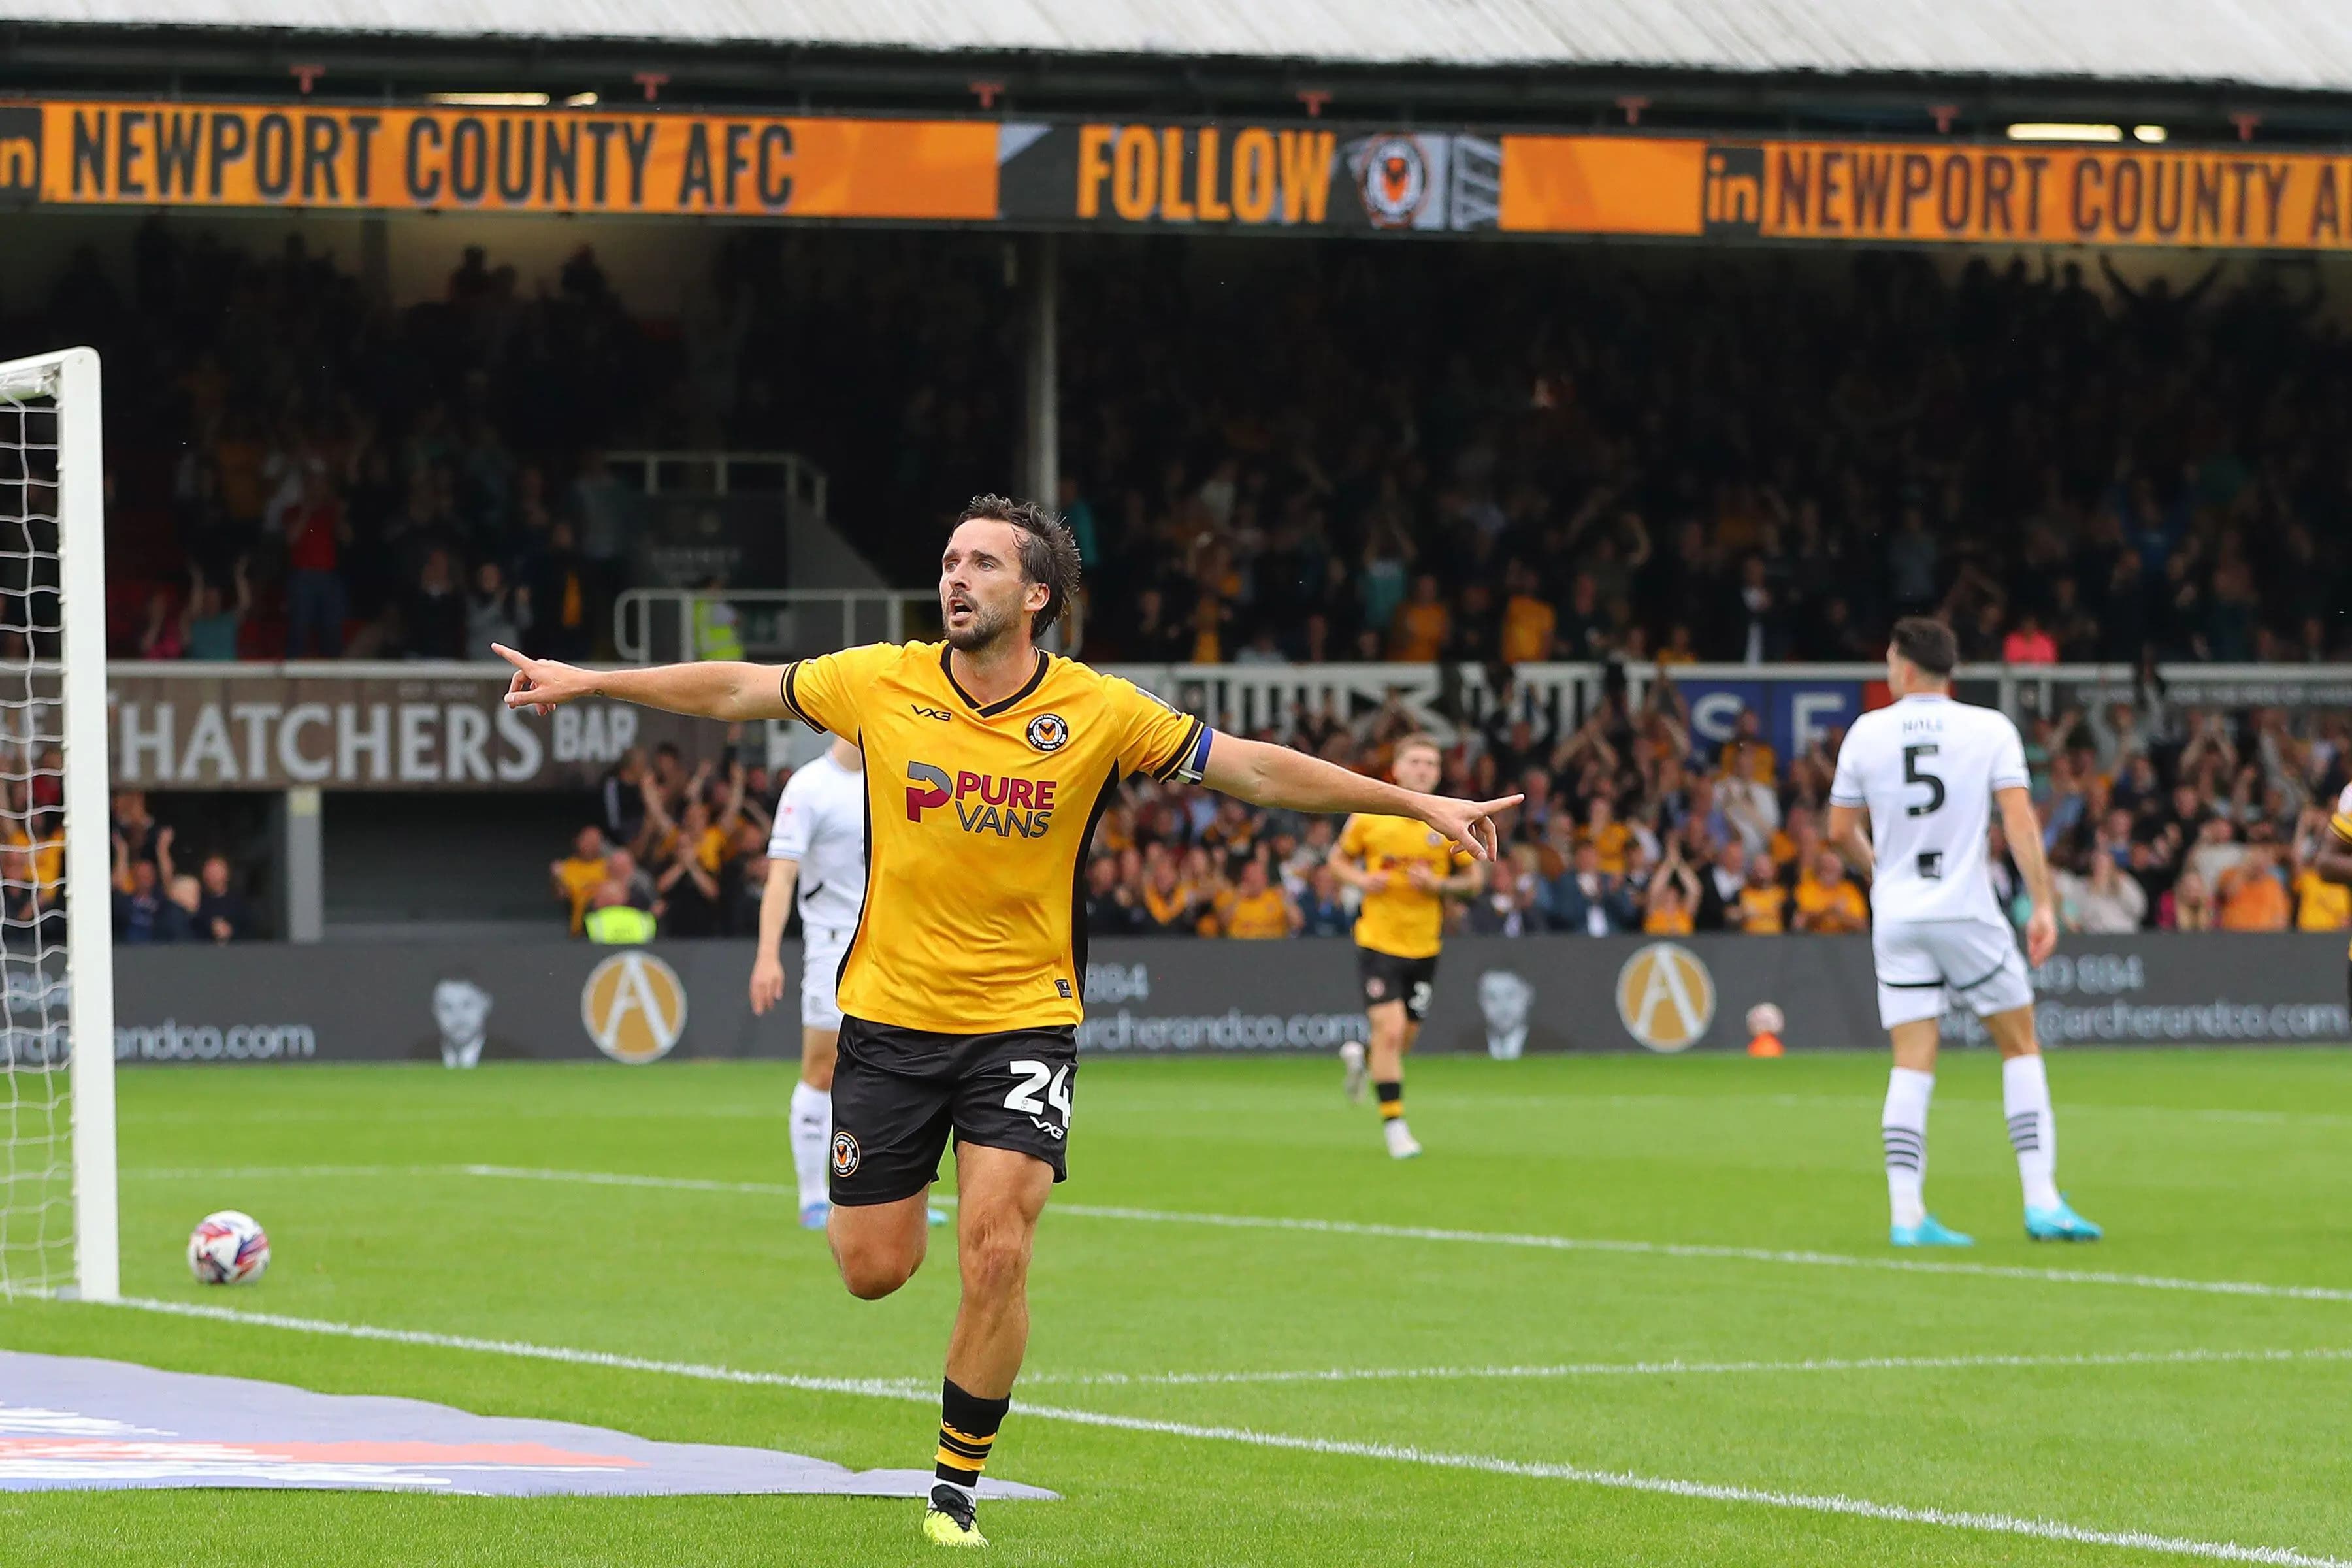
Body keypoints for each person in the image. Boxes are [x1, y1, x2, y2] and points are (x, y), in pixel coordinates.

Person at [493, 495, 1517, 1549]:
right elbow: (742, 687)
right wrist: (591, 680)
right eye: (948, 559)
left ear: (1036, 596)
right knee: (873, 1267)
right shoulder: (879, 680)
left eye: (981, 563)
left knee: (997, 1248)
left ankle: (953, 1488)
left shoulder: (1100, 710)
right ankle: (899, 1268)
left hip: (1026, 1021)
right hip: (889, 1020)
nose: (956, 576)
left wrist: (1414, 804)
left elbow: (1251, 766)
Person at [1827, 616, 2099, 1249]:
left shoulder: (1867, 733)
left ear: (1906, 667)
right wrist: (2043, 905)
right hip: (1965, 910)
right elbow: (2019, 821)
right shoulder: (1988, 729)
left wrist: (1880, 871)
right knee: (2020, 1044)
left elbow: (1839, 831)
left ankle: (1906, 1214)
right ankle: (2042, 1202)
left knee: (1912, 1060)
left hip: (1897, 915)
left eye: (1890, 660)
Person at [749, 736, 924, 1232]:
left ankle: (904, 1197)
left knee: (906, 1072)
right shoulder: (810, 787)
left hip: (901, 945)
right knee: (823, 1068)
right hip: (833, 945)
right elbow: (781, 877)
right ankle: (812, 1197)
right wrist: (768, 955)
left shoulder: (898, 775)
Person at [1326, 734, 1483, 1160]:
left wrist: (1439, 886)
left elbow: (1474, 882)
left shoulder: (1450, 819)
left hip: (1424, 946)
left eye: (1431, 764)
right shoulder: (1370, 816)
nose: (1424, 770)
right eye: (1415, 762)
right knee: (1391, 1032)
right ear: (1396, 769)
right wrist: (1361, 881)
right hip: (1378, 940)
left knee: (1402, 1040)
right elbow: (1336, 861)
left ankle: (1362, 1058)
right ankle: (1396, 1127)